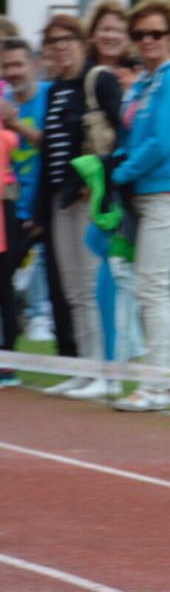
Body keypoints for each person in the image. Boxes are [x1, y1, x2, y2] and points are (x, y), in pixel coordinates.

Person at [108, 0, 170, 412]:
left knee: (153, 286)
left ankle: (159, 385)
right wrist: (116, 165)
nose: (148, 40)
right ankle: (161, 383)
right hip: (144, 194)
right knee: (149, 286)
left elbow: (162, 142)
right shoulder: (145, 82)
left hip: (168, 193)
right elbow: (134, 138)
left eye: (156, 33)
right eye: (140, 34)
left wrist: (120, 173)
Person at [36, 13, 123, 395]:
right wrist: (39, 208)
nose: (60, 47)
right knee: (72, 287)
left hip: (91, 195)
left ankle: (106, 372)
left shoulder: (98, 80)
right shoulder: (55, 90)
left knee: (91, 284)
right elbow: (48, 151)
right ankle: (86, 369)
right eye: (52, 42)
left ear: (82, 42)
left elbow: (120, 135)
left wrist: (100, 179)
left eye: (66, 39)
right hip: (60, 197)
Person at [0, 38, 50, 385]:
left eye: (18, 64)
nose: (13, 72)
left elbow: (52, 144)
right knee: (4, 282)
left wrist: (16, 124)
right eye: (7, 67)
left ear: (33, 65)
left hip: (47, 204)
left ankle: (76, 363)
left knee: (66, 289)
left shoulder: (47, 96)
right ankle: (7, 361)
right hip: (11, 208)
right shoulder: (2, 100)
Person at [86, 0, 130, 71]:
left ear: (128, 37)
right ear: (92, 35)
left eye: (118, 31)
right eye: (106, 29)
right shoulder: (78, 72)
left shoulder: (141, 72)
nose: (111, 36)